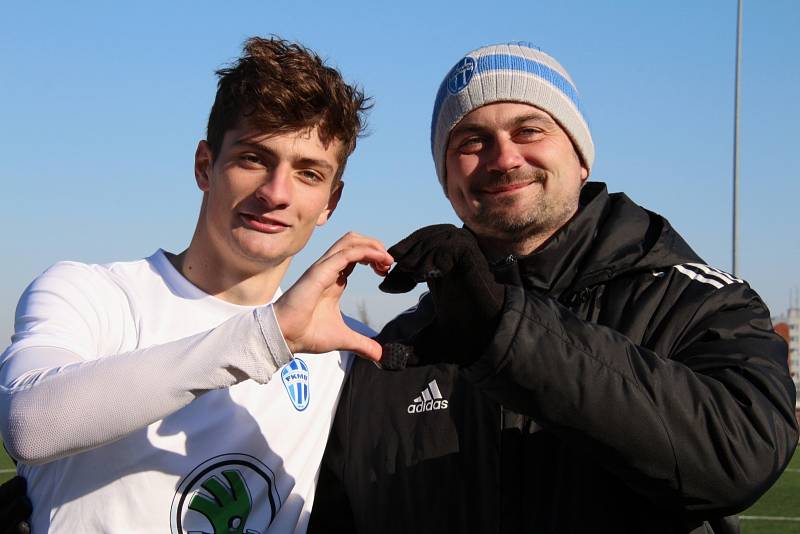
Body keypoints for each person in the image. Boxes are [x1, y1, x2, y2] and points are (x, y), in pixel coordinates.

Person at [308, 42, 799, 533]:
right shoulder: (398, 348)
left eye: (529, 130)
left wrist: (501, 328)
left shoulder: (697, 300)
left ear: (580, 156)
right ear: (446, 177)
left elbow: (740, 456)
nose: (503, 158)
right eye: (471, 142)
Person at [0, 36, 393, 533]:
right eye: (253, 159)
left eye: (308, 173)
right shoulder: (91, 294)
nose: (276, 193)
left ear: (329, 204)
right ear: (205, 166)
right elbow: (29, 427)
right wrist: (270, 336)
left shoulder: (345, 352)